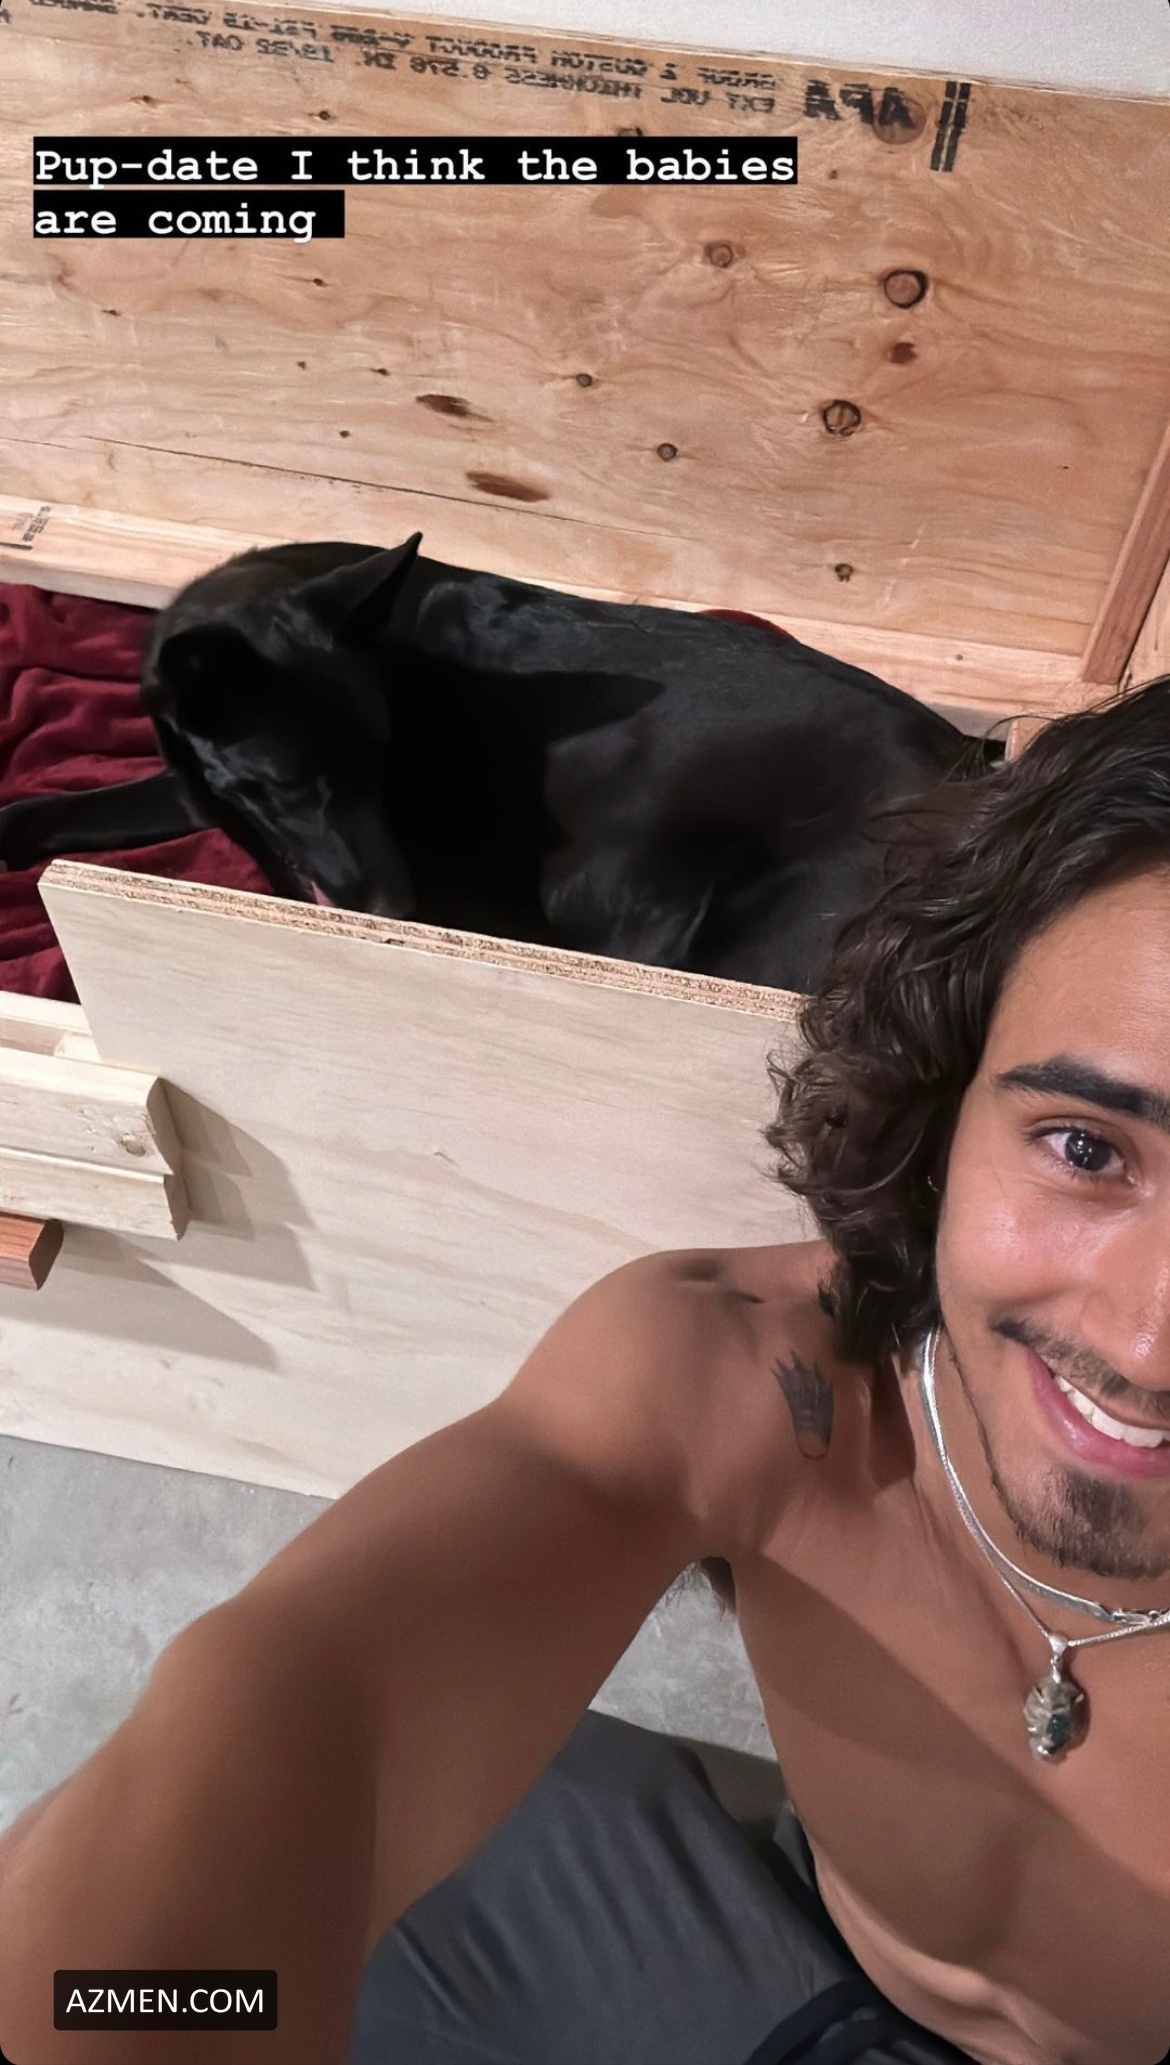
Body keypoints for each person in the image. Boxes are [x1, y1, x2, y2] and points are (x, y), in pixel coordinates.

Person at [4, 682, 1170, 2065]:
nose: (1146, 1342)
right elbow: (313, 1705)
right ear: (948, 1096)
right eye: (1087, 1149)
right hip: (786, 1929)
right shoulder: (763, 1375)